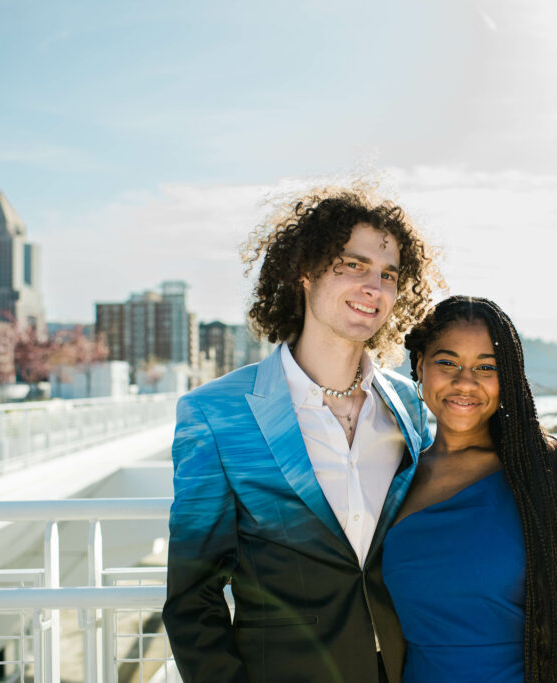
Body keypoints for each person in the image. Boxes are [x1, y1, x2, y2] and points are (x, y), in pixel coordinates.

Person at [162, 186, 441, 683]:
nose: (373, 286)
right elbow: (194, 599)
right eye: (352, 265)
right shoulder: (215, 415)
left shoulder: (410, 405)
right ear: (305, 271)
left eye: (388, 275)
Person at [382, 296, 557, 683]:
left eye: (486, 367)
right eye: (447, 362)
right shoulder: (392, 472)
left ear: (507, 379)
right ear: (419, 364)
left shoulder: (542, 472)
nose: (465, 381)